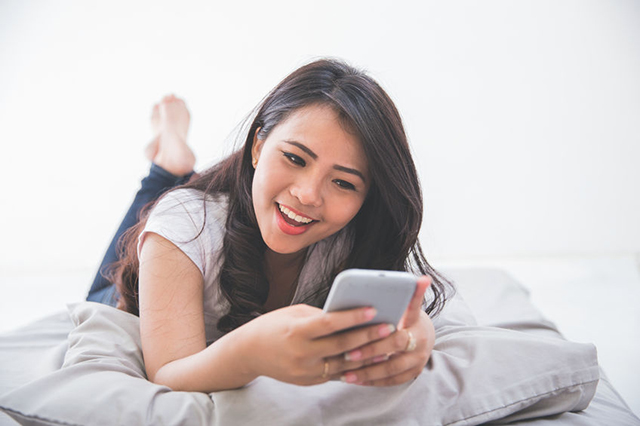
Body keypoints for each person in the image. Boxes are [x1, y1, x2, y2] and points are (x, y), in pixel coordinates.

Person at [87, 59, 451, 393]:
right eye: (294, 158)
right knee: (161, 200)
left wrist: (419, 334)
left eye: (343, 183)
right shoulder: (186, 223)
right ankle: (169, 158)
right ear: (258, 146)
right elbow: (167, 374)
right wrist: (250, 352)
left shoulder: (352, 237)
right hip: (126, 288)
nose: (308, 195)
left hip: (231, 203)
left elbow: (405, 322)